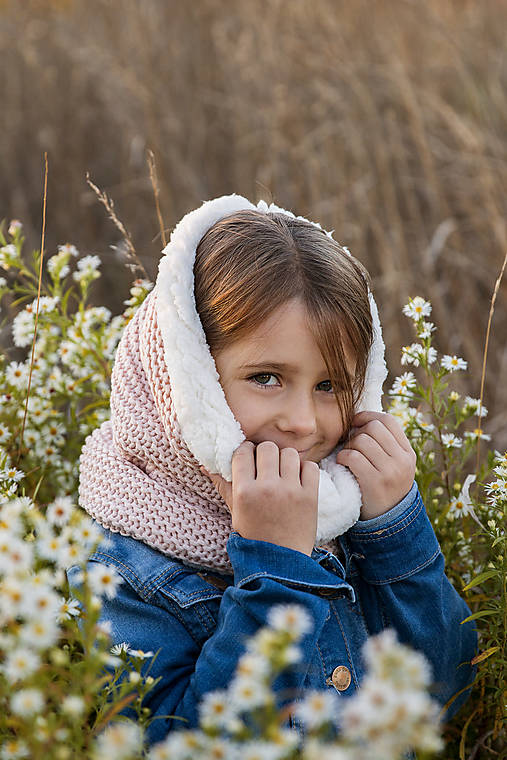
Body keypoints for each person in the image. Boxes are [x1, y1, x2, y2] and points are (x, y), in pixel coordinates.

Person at [68, 194, 477, 747]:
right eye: (266, 377)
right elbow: (178, 748)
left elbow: (450, 695)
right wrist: (276, 566)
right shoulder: (121, 576)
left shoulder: (346, 514)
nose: (304, 422)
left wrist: (395, 529)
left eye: (331, 386)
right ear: (184, 385)